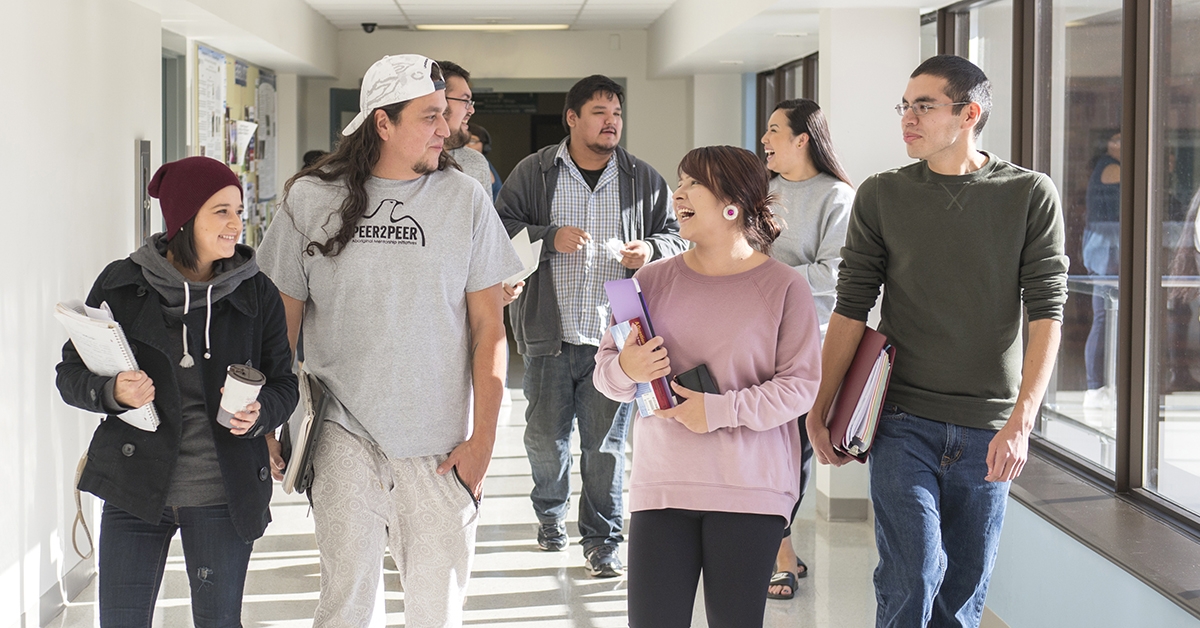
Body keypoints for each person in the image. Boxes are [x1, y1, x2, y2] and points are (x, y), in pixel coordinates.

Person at [257, 54, 521, 627]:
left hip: (439, 445)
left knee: (435, 611)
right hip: (340, 434)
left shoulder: (465, 198)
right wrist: (268, 421)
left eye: (444, 114)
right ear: (383, 122)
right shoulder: (310, 199)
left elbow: (489, 329)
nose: (446, 128)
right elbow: (281, 328)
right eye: (429, 116)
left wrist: (483, 442)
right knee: (346, 607)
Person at [806, 55, 1067, 628]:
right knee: (912, 575)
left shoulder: (1029, 193)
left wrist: (1022, 421)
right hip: (902, 418)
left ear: (969, 113)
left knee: (962, 593)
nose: (907, 118)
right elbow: (851, 305)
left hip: (988, 426)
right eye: (905, 106)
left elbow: (1047, 310)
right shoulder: (881, 194)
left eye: (924, 106)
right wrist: (821, 404)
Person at [55, 156, 298, 627]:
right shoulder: (122, 283)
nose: (236, 223)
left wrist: (262, 413)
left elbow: (284, 383)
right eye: (221, 211)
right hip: (133, 487)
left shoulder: (257, 292)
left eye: (238, 210)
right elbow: (70, 373)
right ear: (184, 218)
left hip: (221, 494)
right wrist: (112, 392)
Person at [593, 145, 822, 626]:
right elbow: (606, 374)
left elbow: (800, 386)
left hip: (751, 491)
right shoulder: (648, 281)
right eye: (680, 182)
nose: (678, 193)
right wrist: (628, 370)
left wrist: (717, 411)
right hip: (662, 488)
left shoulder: (784, 287)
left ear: (733, 203)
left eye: (693, 183)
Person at [495, 74, 686, 577]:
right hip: (548, 335)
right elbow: (499, 229)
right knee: (545, 438)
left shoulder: (643, 178)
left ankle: (602, 542)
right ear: (573, 118)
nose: (612, 122)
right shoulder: (535, 172)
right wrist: (548, 237)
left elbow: (677, 237)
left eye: (617, 113)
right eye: (600, 112)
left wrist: (650, 249)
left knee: (605, 446)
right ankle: (550, 514)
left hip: (617, 339)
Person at [759, 97, 855, 600]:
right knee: (760, 451)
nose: (765, 140)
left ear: (803, 139)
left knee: (792, 452)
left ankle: (780, 554)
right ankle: (782, 551)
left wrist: (763, 279)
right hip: (753, 341)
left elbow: (833, 274)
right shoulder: (761, 191)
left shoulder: (837, 196)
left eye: (774, 130)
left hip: (806, 346)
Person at [1082, 132, 1120, 407]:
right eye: (1117, 139)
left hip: (1104, 246)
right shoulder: (1112, 166)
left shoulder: (1105, 166)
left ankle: (1100, 386)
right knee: (1103, 317)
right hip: (1106, 248)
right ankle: (1096, 387)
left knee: (1104, 317)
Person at [437, 60, 493, 192]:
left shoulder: (476, 162)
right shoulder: (399, 159)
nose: (471, 110)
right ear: (438, 101)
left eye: (470, 102)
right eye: (465, 100)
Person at [467, 122, 503, 200]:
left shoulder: (480, 166)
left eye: (472, 141)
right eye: (464, 141)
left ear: (484, 146)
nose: (467, 145)